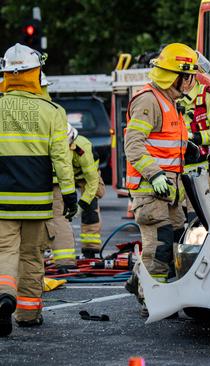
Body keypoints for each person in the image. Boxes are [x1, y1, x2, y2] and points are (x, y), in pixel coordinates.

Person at [0, 44, 76, 336]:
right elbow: (61, 158)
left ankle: (4, 295)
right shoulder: (52, 111)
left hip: (3, 200)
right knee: (31, 256)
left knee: (5, 251)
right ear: (36, 73)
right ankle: (28, 314)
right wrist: (69, 195)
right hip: (37, 201)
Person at [122, 43, 198, 315]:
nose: (192, 82)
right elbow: (133, 145)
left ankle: (137, 280)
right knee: (160, 245)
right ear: (177, 75)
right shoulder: (149, 100)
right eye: (190, 76)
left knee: (178, 240)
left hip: (170, 193)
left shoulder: (170, 102)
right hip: (150, 191)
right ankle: (150, 301)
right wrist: (154, 174)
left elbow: (165, 146)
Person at [50, 124, 106, 269]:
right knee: (58, 210)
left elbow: (92, 181)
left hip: (86, 176)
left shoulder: (83, 149)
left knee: (90, 208)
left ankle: (91, 248)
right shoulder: (54, 146)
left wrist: (82, 204)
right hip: (65, 176)